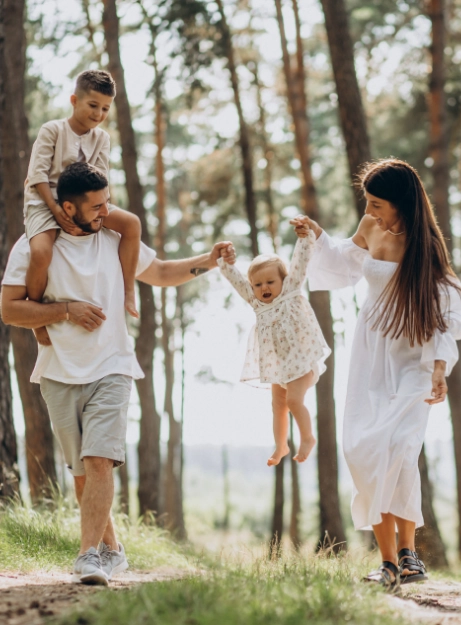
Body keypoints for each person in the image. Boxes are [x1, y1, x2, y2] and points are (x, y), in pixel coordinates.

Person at [1, 162, 235, 585]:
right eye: (95, 206)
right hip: (58, 372)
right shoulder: (35, 246)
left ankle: (89, 555)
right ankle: (112, 549)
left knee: (99, 461)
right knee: (80, 474)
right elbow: (10, 308)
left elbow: (160, 272)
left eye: (108, 202)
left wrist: (208, 261)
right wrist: (66, 310)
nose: (105, 212)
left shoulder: (113, 237)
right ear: (66, 207)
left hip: (112, 366)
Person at [292, 158, 461, 591]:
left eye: (377, 203)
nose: (370, 211)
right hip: (370, 352)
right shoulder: (369, 228)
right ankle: (388, 562)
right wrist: (315, 238)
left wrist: (439, 368)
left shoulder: (426, 246)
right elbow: (342, 265)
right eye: (367, 202)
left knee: (400, 448)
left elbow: (446, 312)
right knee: (364, 448)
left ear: (401, 202)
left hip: (413, 358)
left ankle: (408, 553)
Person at [24, 69, 141, 346]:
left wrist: (100, 210)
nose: (98, 114)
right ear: (74, 100)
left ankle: (129, 291)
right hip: (45, 201)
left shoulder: (102, 138)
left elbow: (102, 177)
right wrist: (56, 210)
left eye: (105, 108)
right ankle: (38, 319)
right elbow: (37, 175)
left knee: (132, 223)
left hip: (88, 202)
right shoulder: (52, 130)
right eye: (93, 105)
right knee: (41, 253)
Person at [218, 230, 330, 466]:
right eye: (258, 284)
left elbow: (300, 263)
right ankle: (281, 446)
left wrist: (304, 238)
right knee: (278, 405)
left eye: (270, 282)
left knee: (294, 401)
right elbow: (238, 282)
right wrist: (225, 263)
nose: (264, 287)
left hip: (300, 363)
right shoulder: (257, 303)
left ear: (283, 281)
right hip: (279, 368)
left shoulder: (289, 292)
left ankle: (308, 437)